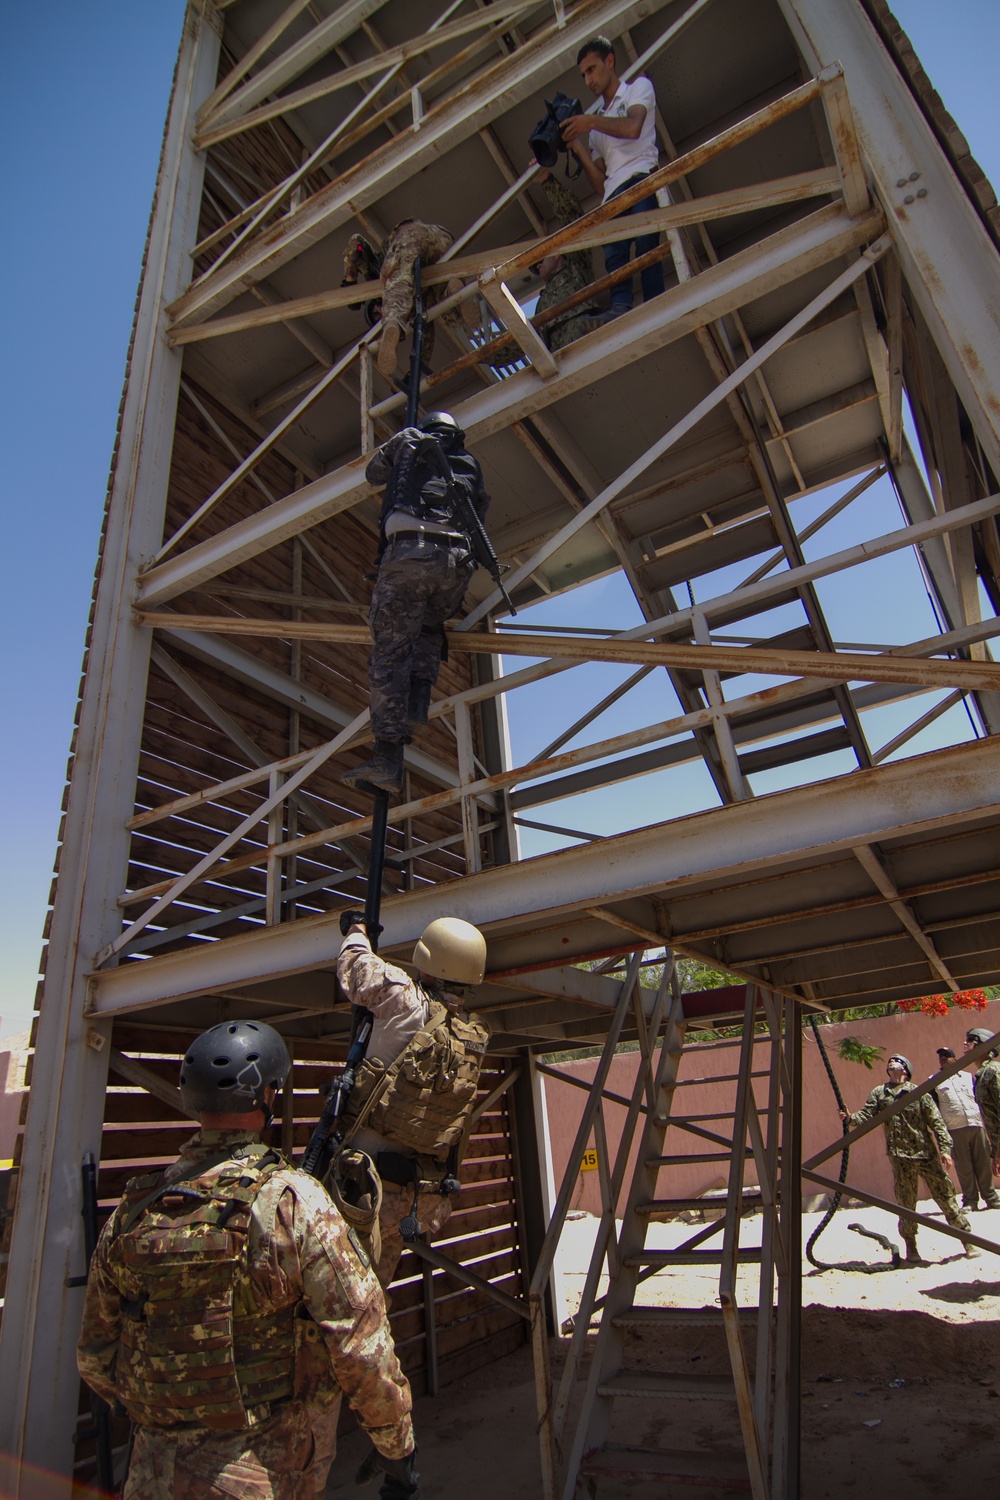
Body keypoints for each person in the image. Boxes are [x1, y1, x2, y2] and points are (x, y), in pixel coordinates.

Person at [78, 1020, 417, 1500]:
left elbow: (94, 1357)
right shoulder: (291, 1202)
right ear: (269, 1098)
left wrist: (165, 1412)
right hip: (260, 1471)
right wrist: (396, 1448)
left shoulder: (136, 1207)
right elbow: (361, 1345)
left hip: (150, 1474)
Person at [335, 913, 490, 1297]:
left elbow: (354, 966)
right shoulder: (475, 1035)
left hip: (363, 1190)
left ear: (430, 962)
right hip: (415, 1198)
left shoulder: (403, 997)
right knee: (371, 1300)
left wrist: (357, 929)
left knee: (339, 1303)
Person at [343, 411, 489, 794]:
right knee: (427, 625)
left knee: (390, 653)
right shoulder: (470, 464)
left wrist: (395, 442)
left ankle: (386, 758)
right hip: (457, 564)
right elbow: (480, 509)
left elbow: (374, 475)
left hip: (411, 553)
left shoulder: (409, 440)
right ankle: (417, 702)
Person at [559, 34, 665, 318]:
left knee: (646, 244)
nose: (587, 80)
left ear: (610, 61)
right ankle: (620, 308)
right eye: (583, 74)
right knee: (614, 254)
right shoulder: (594, 130)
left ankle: (656, 305)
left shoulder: (637, 88)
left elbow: (633, 128)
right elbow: (600, 182)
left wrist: (589, 120)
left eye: (591, 69)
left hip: (642, 176)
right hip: (612, 194)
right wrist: (578, 148)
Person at [840, 1052, 976, 1263]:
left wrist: (945, 1150)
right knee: (906, 1204)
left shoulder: (918, 1092)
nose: (892, 1062)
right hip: (900, 1157)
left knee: (946, 1198)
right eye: (890, 1061)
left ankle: (967, 1240)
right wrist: (849, 1118)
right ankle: (911, 1246)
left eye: (898, 1061)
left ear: (906, 1070)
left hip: (926, 1154)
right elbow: (866, 1115)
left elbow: (937, 1123)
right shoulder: (880, 1093)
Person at [341, 221, 455, 381]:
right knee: (449, 311)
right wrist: (412, 375)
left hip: (411, 239)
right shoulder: (417, 310)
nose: (380, 311)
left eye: (375, 310)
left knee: (395, 281)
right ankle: (453, 289)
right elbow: (425, 341)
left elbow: (357, 243)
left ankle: (393, 323)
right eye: (378, 317)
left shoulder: (379, 274)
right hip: (443, 243)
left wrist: (350, 280)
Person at [532, 160, 602, 349]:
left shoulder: (576, 266)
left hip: (583, 335)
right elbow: (523, 340)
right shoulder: (542, 304)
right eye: (536, 265)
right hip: (560, 355)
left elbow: (573, 217)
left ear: (556, 255)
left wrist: (547, 181)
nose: (538, 265)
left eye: (541, 259)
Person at [930, 1045, 1000, 1210]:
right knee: (964, 1166)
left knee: (983, 1162)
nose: (943, 1059)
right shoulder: (934, 1081)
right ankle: (970, 1201)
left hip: (976, 1124)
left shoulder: (970, 1077)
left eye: (947, 1055)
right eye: (941, 1056)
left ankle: (991, 1198)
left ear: (954, 1058)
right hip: (955, 1128)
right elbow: (934, 1107)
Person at [966, 1026, 1000, 1179]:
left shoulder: (994, 1071)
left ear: (983, 1045)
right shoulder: (981, 1075)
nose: (964, 1043)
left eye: (970, 1040)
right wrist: (995, 1152)